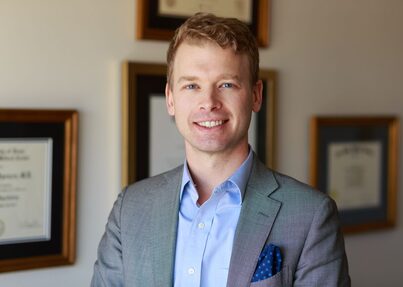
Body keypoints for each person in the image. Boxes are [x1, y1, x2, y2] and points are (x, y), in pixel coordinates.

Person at [91, 13, 350, 287]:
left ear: (256, 95)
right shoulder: (130, 208)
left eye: (226, 84)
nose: (209, 102)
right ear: (170, 98)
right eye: (192, 85)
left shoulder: (311, 215)